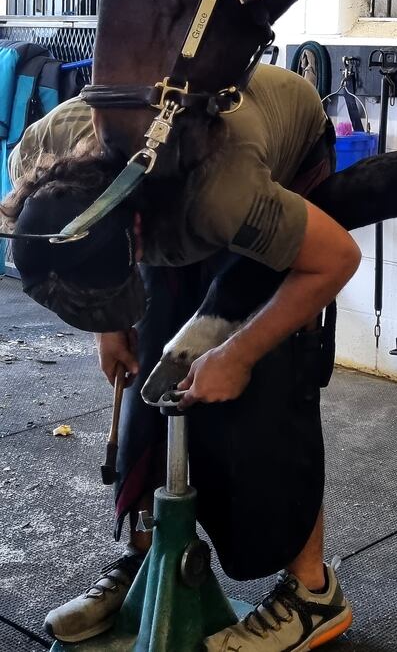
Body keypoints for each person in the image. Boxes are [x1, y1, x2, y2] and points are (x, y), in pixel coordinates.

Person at [1, 64, 361, 652]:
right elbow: (85, 249)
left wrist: (241, 353)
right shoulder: (41, 157)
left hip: (278, 163)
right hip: (161, 179)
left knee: (265, 389)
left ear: (137, 235)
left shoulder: (225, 196)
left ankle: (313, 593)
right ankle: (147, 559)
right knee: (156, 366)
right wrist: (109, 327)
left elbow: (336, 259)